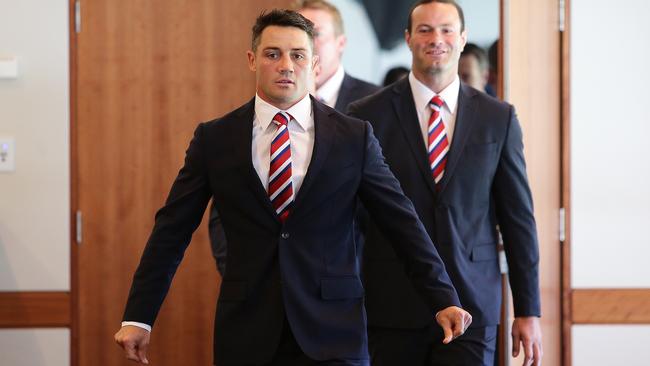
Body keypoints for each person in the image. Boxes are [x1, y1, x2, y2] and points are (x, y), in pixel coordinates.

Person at [114, 9, 472, 366]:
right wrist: (138, 316)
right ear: (253, 60)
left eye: (298, 55)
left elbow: (401, 222)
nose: (286, 65)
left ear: (314, 63)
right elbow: (171, 231)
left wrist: (442, 296)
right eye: (273, 54)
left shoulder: (353, 137)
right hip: (247, 332)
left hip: (334, 332)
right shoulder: (216, 139)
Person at [347, 1, 542, 365]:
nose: (436, 39)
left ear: (463, 38)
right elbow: (350, 217)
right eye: (424, 30)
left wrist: (528, 310)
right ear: (408, 38)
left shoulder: (498, 118)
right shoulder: (366, 116)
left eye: (447, 29)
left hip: (473, 303)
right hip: (392, 304)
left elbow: (518, 220)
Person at [208, 0, 378, 274]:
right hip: (260, 283)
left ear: (340, 43)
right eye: (275, 51)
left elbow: (389, 209)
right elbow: (226, 207)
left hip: (349, 282)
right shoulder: (258, 113)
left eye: (314, 33)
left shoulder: (374, 107)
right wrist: (236, 271)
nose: (287, 62)